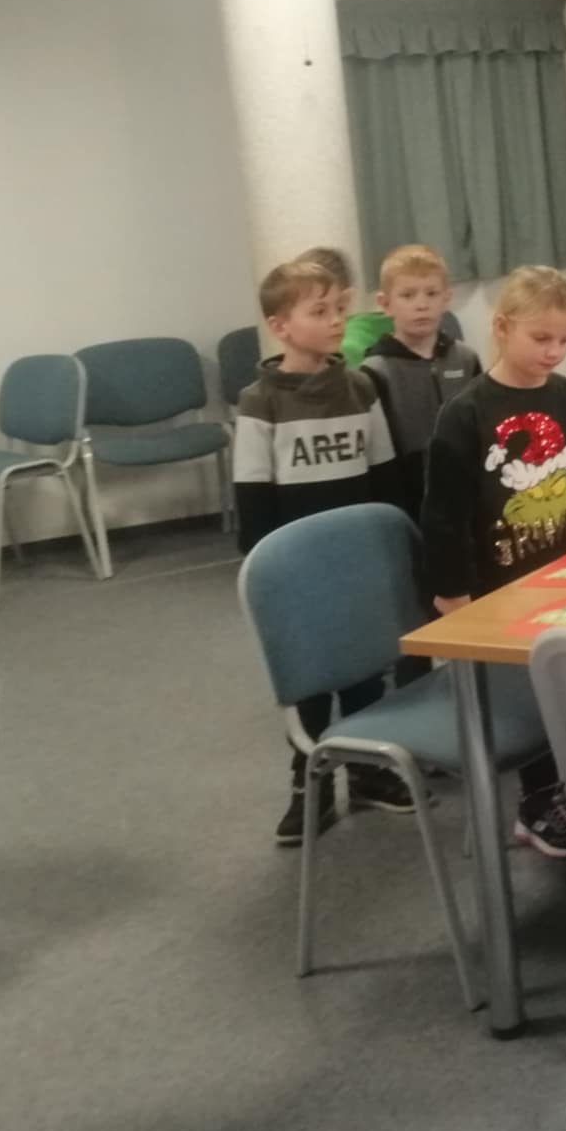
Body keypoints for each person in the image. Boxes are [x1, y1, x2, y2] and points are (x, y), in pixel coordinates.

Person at [423, 266, 566, 859]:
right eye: (540, 338)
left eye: (565, 340)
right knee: (535, 696)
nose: (554, 351)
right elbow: (444, 515)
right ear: (501, 327)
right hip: (504, 591)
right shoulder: (465, 415)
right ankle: (538, 803)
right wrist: (454, 595)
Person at [234, 256, 412, 845]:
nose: (337, 320)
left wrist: (392, 553)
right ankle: (307, 783)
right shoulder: (260, 402)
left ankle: (366, 771)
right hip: (298, 576)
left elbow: (385, 478)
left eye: (340, 308)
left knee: (365, 673)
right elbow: (253, 499)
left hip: (358, 564)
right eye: (320, 311)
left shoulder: (361, 388)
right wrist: (268, 578)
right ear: (279, 326)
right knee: (310, 682)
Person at [360, 244, 482, 525]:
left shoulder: (466, 358)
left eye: (431, 293)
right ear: (385, 304)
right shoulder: (375, 371)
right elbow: (378, 453)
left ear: (446, 298)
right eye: (407, 295)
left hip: (467, 490)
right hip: (409, 498)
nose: (421, 304)